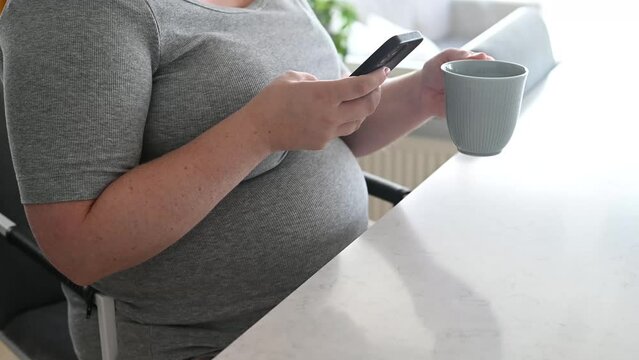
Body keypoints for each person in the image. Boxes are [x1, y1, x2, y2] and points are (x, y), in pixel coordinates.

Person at [0, 0, 490, 358]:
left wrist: (422, 95)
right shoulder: (71, 12)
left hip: (338, 306)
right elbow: (79, 248)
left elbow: (334, 127)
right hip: (211, 340)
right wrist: (256, 132)